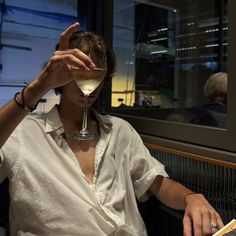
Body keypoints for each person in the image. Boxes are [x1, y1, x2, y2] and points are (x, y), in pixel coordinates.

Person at [0, 22, 224, 236]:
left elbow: (156, 182)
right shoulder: (23, 131)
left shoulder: (120, 131)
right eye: (78, 69)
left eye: (98, 72)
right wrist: (39, 87)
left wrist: (190, 197)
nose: (90, 78)